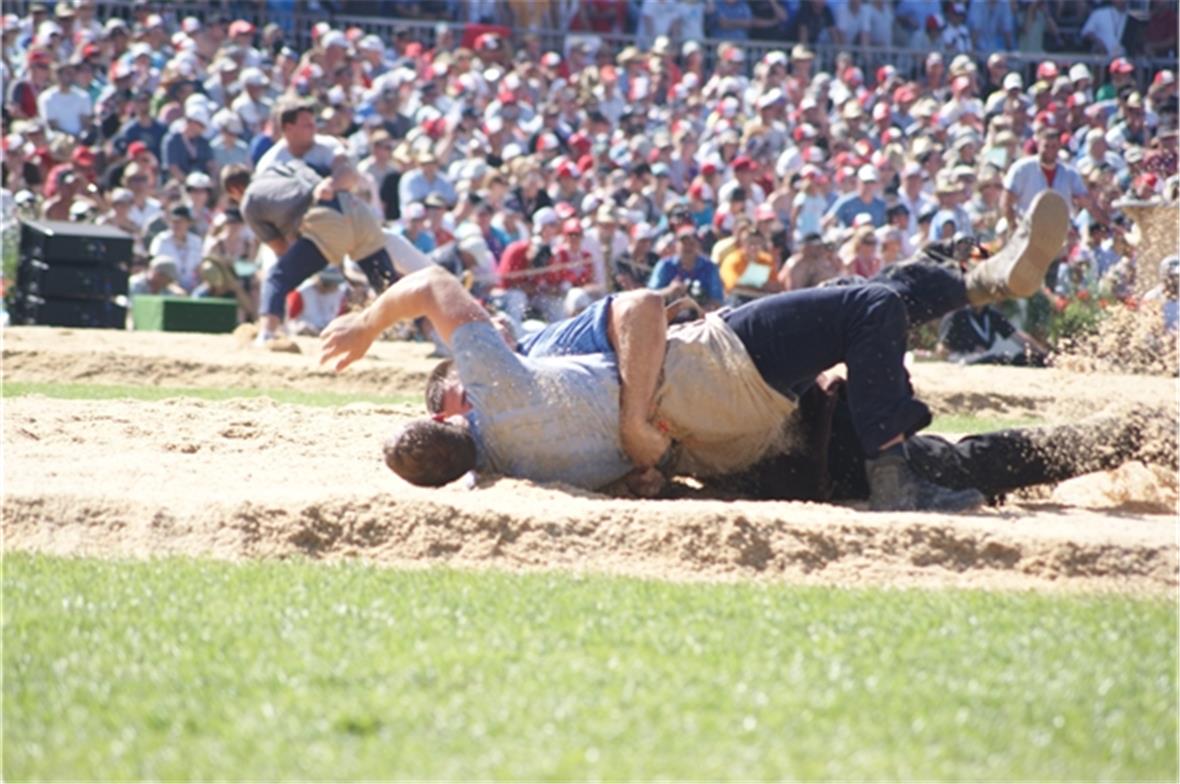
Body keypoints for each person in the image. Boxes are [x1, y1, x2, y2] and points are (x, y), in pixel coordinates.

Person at [323, 192, 1071, 511]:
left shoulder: (523, 419)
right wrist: (631, 427)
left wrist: (635, 463)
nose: (470, 395)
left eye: (460, 388)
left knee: (853, 294)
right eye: (458, 403)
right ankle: (895, 470)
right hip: (709, 381)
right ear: (460, 417)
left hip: (717, 430)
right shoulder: (509, 405)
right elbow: (641, 308)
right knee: (867, 304)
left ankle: (980, 274)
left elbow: (624, 470)